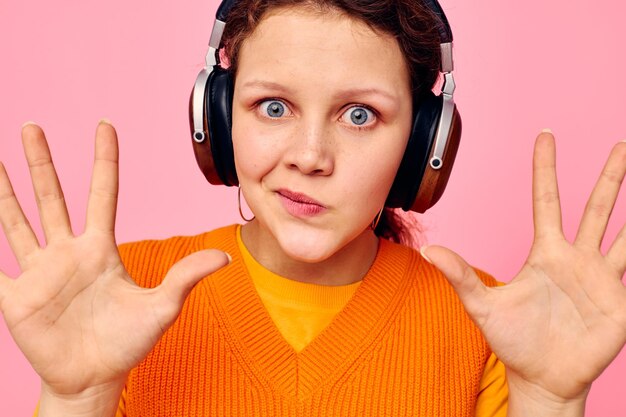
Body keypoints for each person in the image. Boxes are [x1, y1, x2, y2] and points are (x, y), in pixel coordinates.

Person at [0, 0, 624, 416]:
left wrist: (548, 399)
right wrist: (74, 397)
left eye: (360, 115)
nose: (310, 156)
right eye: (273, 106)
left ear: (422, 146)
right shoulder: (119, 298)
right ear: (216, 120)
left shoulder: (494, 323)